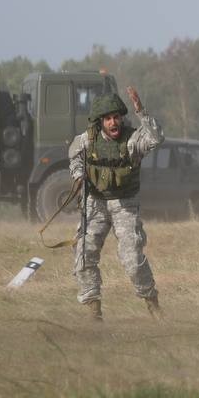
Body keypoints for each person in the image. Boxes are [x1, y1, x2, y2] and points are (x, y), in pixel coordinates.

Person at [68, 86, 164, 320]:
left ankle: (153, 305)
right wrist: (79, 176)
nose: (114, 123)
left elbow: (156, 138)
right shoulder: (86, 140)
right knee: (83, 255)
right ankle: (94, 313)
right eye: (109, 119)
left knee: (132, 259)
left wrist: (141, 111)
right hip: (95, 204)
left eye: (117, 117)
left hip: (124, 204)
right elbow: (74, 159)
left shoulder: (132, 140)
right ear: (101, 121)